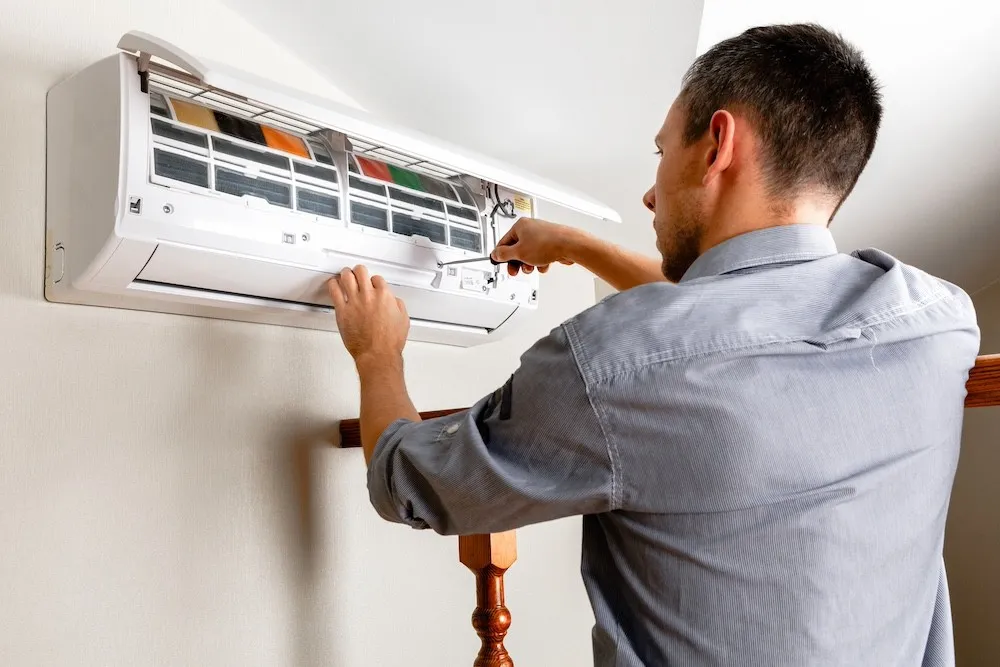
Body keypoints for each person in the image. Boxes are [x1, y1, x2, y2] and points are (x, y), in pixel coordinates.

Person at [327, 23, 979, 667]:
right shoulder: (939, 322)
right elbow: (737, 318)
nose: (648, 190)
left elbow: (410, 481)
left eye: (662, 151)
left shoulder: (608, 365)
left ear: (717, 143)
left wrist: (376, 355)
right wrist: (579, 246)